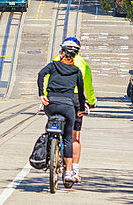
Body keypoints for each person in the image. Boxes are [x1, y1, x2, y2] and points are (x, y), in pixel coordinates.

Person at [38, 40, 87, 187]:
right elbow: (81, 94)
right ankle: (69, 172)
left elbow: (41, 74)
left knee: (50, 127)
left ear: (62, 53)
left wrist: (42, 94)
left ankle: (47, 151)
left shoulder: (53, 66)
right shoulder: (77, 71)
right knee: (67, 138)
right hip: (67, 106)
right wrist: (81, 109)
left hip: (51, 105)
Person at [58, 37, 95, 183]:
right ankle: (74, 170)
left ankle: (53, 147)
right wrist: (91, 102)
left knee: (56, 126)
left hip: (57, 97)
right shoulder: (82, 63)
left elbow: (47, 78)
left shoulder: (56, 60)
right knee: (75, 136)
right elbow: (88, 85)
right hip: (75, 100)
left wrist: (45, 96)